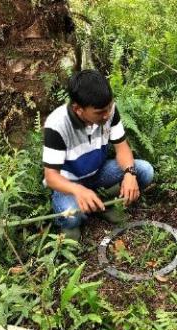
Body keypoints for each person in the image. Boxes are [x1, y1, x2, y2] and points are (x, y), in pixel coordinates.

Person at [42, 69, 154, 239]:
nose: (107, 114)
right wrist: (77, 190)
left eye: (109, 108)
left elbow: (122, 148)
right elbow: (51, 177)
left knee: (144, 171)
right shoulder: (57, 125)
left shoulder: (109, 111)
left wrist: (130, 174)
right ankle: (72, 223)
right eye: (100, 112)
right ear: (78, 109)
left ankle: (103, 203)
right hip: (68, 183)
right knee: (71, 216)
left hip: (99, 172)